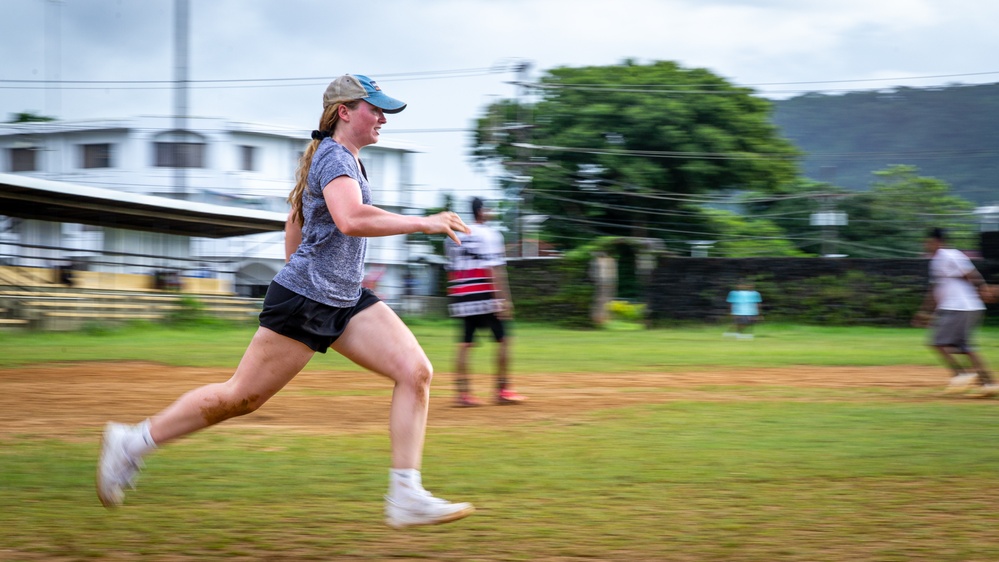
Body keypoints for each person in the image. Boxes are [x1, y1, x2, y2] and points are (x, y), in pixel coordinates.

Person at [96, 74, 476, 529]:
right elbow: (351, 219)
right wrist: (423, 223)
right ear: (345, 112)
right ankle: (131, 443)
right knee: (241, 398)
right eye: (374, 108)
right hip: (308, 300)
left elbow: (295, 223)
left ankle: (406, 494)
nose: (381, 118)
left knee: (415, 372)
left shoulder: (338, 158)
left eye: (383, 111)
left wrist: (314, 274)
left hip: (344, 298)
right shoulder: (334, 156)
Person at [444, 197, 526, 407]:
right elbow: (494, 269)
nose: (490, 211)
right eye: (487, 208)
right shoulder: (490, 234)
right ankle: (502, 390)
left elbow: (451, 270)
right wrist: (504, 300)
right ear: (481, 212)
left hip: (463, 296)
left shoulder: (453, 236)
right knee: (503, 340)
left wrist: (456, 298)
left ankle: (462, 395)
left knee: (465, 343)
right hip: (486, 295)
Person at [913, 227, 998, 395]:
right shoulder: (937, 260)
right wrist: (926, 311)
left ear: (936, 241)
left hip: (960, 306)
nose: (925, 244)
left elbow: (970, 273)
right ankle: (987, 384)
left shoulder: (949, 255)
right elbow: (935, 288)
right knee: (964, 347)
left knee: (938, 342)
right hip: (957, 306)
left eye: (927, 241)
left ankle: (962, 375)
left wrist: (982, 289)